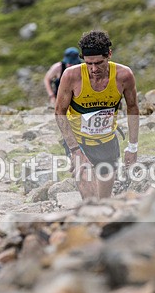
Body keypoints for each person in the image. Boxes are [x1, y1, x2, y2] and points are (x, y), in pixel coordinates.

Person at [55, 30, 139, 200]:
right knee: (90, 199)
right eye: (88, 63)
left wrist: (133, 147)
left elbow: (133, 108)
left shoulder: (124, 76)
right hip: (80, 142)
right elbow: (59, 112)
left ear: (109, 54)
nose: (93, 69)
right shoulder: (71, 76)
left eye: (99, 63)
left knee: (104, 200)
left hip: (107, 141)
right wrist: (75, 151)